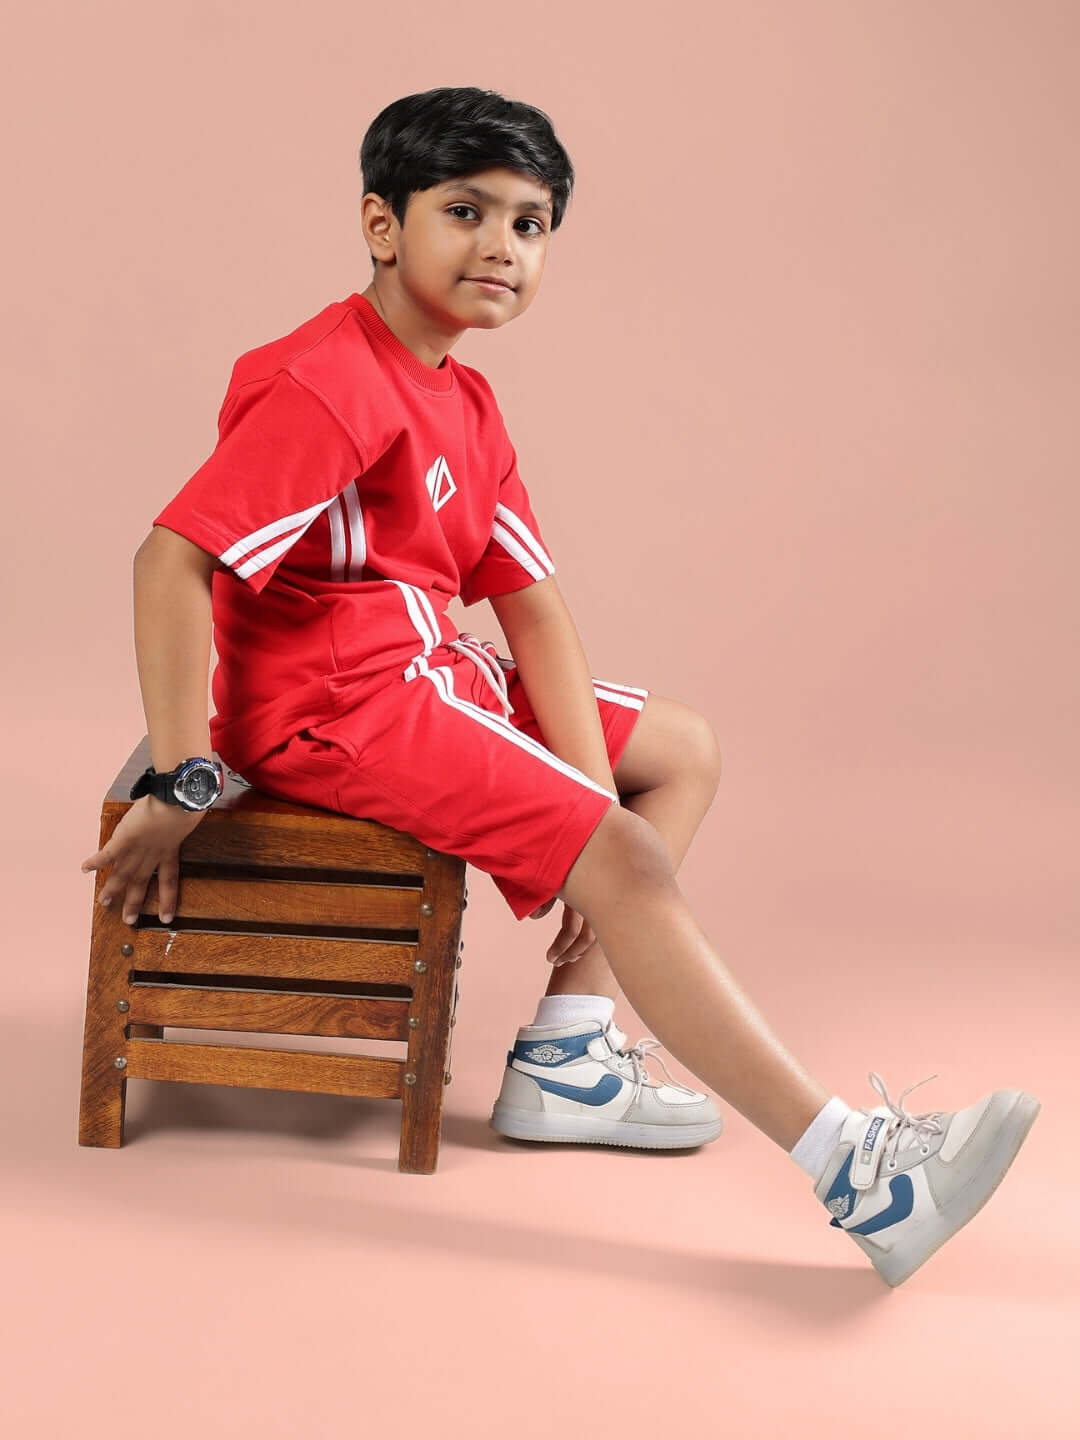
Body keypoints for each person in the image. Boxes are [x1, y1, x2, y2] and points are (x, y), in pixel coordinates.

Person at [79, 85, 1039, 1287]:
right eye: (465, 211)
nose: (501, 245)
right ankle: (865, 1178)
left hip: (420, 676)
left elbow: (531, 606)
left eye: (529, 224)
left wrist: (587, 801)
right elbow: (169, 560)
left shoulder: (466, 401)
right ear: (382, 225)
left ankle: (567, 1056)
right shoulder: (330, 380)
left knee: (679, 752)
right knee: (626, 853)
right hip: (334, 708)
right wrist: (183, 773)